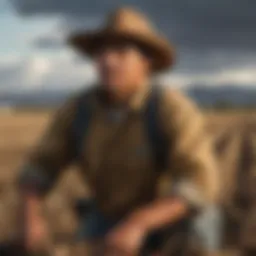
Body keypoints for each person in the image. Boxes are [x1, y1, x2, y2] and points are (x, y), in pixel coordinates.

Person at [19, 7, 221, 256]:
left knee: (201, 223)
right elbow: (41, 165)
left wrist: (139, 222)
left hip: (169, 217)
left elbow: (200, 183)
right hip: (110, 217)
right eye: (102, 52)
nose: (108, 60)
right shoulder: (78, 110)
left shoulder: (172, 108)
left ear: (146, 62)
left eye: (121, 52)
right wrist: (31, 217)